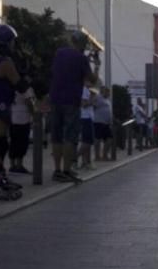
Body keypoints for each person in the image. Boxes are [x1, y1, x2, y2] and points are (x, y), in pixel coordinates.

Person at [0, 24, 27, 199]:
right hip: (0, 104)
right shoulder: (5, 63)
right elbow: (20, 85)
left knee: (1, 142)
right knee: (0, 143)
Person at [49, 32, 93, 182]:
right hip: (71, 100)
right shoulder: (82, 58)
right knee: (70, 136)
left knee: (56, 135)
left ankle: (57, 170)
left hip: (55, 98)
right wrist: (95, 63)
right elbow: (91, 79)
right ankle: (66, 170)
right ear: (82, 44)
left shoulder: (59, 53)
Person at [9, 80, 36, 174]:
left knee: (13, 141)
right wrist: (34, 114)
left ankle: (12, 165)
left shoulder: (12, 86)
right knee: (22, 142)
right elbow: (29, 102)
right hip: (23, 118)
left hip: (12, 117)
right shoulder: (26, 88)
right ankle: (19, 165)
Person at [77, 84, 96, 170]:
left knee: (86, 141)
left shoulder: (88, 90)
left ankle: (85, 162)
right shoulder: (84, 90)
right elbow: (83, 104)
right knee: (88, 141)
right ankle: (73, 159)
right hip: (85, 117)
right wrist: (92, 98)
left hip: (89, 117)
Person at [93, 86, 114, 162]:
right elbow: (93, 106)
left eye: (109, 92)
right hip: (98, 122)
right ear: (103, 92)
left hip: (106, 123)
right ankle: (97, 156)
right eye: (107, 92)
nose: (108, 93)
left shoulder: (108, 100)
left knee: (109, 139)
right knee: (97, 139)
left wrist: (111, 120)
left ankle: (105, 155)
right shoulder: (98, 97)